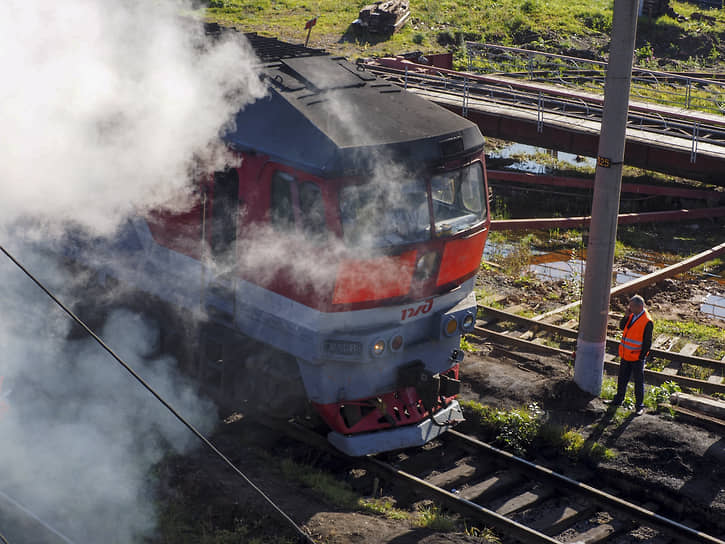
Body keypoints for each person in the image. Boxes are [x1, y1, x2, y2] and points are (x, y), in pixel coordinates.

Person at [609, 294, 653, 416]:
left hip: (637, 357)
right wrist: (626, 316)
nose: (629, 308)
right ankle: (618, 399)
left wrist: (641, 356)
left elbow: (647, 342)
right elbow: (622, 327)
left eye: (631, 306)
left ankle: (639, 406)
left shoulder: (647, 321)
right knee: (622, 378)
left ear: (638, 307)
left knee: (638, 382)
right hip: (626, 354)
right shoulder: (632, 315)